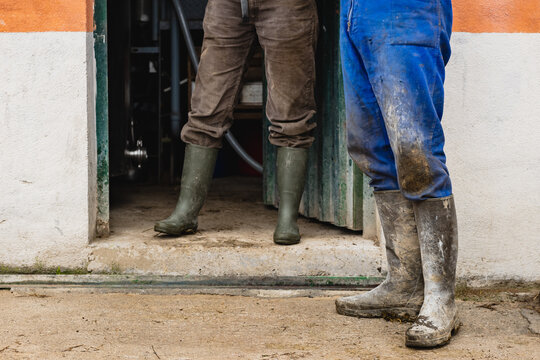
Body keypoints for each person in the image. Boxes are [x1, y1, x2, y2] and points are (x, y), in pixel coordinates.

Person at [336, 0, 459, 348]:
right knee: (371, 148)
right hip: (354, 13)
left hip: (406, 12)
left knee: (415, 150)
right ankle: (404, 285)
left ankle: (441, 299)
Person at [154, 0, 319, 246]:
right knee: (207, 108)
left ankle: (287, 220)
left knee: (291, 112)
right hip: (228, 5)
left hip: (287, 6)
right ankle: (186, 212)